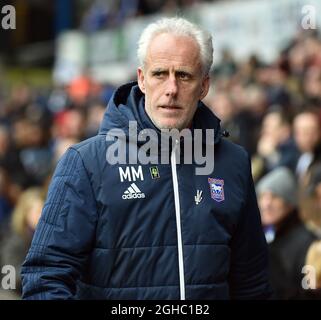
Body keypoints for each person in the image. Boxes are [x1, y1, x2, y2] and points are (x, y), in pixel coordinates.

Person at [21, 17, 271, 300]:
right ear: (141, 79)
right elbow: (45, 276)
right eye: (160, 74)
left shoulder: (233, 162)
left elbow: (253, 283)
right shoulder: (86, 162)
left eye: (184, 75)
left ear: (204, 86)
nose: (171, 89)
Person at [256, 167, 316, 299]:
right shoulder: (270, 237)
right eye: (263, 197)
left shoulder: (308, 244)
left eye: (274, 197)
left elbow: (310, 292)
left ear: (290, 203)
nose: (266, 204)